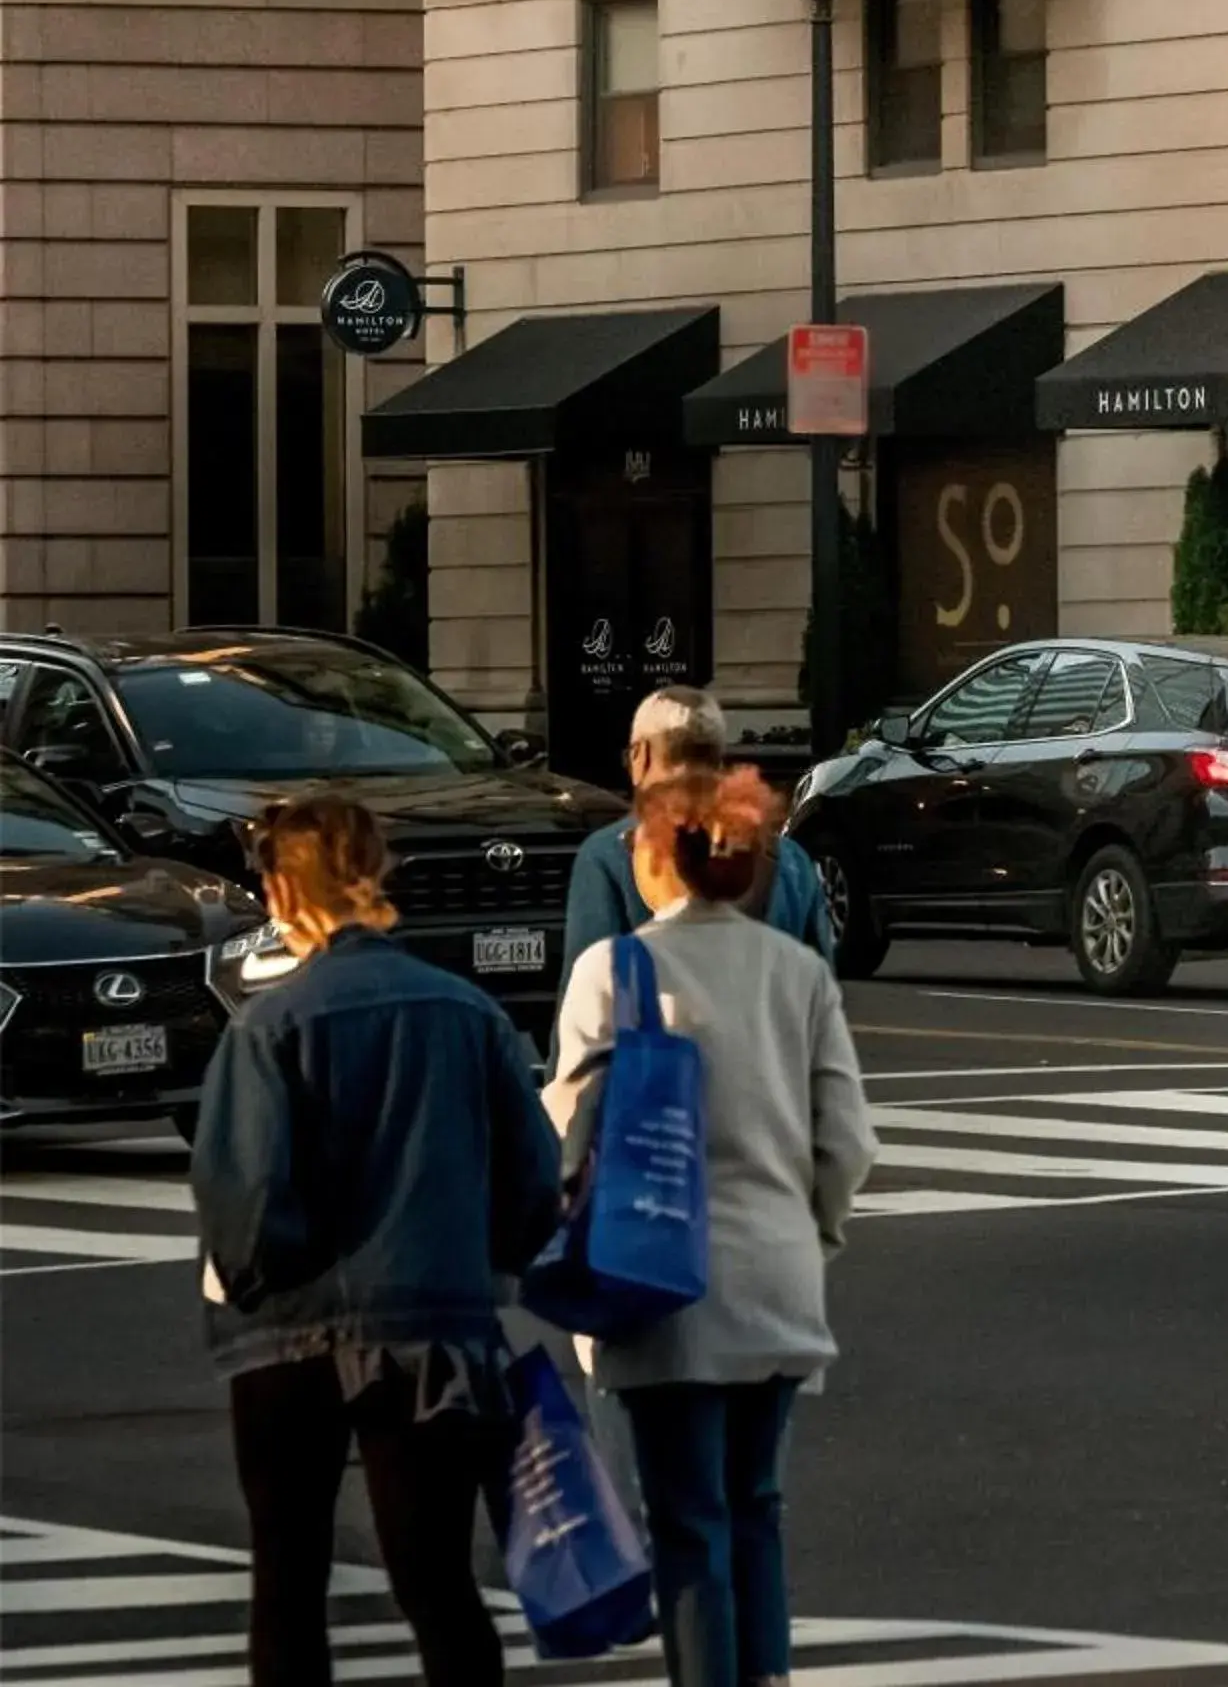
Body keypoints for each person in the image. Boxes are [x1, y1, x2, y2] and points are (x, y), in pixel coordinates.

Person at [192, 794, 563, 1687]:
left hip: (289, 1335)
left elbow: (242, 1200)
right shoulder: (468, 1014)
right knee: (437, 1582)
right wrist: (484, 1265)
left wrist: (257, 1276)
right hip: (436, 1322)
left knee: (288, 1578)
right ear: (377, 874)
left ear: (283, 892)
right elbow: (533, 1183)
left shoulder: (270, 1027)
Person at [547, 765, 876, 1687]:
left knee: (687, 1520)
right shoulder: (799, 970)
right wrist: (815, 1232)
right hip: (778, 1272)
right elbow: (846, 1140)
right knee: (755, 1507)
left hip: (660, 1277)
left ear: (655, 856)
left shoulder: (613, 972)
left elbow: (571, 1126)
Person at [564, 686, 834, 980]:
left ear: (640, 756)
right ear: (718, 760)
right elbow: (821, 987)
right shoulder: (791, 861)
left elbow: (585, 991)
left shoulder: (606, 855)